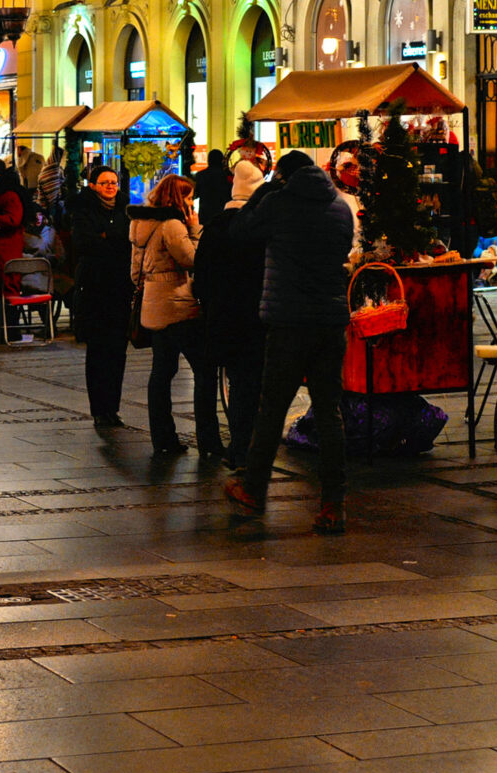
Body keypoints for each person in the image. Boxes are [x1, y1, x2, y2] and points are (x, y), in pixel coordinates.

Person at [223, 149, 356, 534]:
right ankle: (334, 503)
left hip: (289, 322)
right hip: (331, 322)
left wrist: (263, 194)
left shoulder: (279, 203)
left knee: (272, 409)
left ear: (282, 176)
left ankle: (253, 489)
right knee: (329, 412)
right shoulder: (340, 207)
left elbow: (240, 230)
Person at [192, 159, 269, 468]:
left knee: (235, 383)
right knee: (254, 384)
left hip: (222, 318)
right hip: (255, 318)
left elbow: (201, 274)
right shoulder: (259, 229)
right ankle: (249, 447)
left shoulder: (214, 228)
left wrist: (211, 305)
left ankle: (238, 447)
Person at [130, 173, 206, 457]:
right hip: (177, 302)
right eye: (188, 197)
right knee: (204, 368)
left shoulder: (140, 223)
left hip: (153, 303)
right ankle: (208, 437)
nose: (191, 202)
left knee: (161, 372)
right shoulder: (173, 225)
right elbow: (192, 259)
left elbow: (134, 272)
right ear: (177, 198)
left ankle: (163, 438)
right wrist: (195, 229)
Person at [69, 165, 132, 427]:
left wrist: (107, 237)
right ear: (93, 185)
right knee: (98, 350)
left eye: (114, 182)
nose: (110, 187)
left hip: (120, 288)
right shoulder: (82, 210)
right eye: (104, 182)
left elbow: (128, 240)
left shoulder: (125, 211)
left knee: (118, 350)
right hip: (94, 288)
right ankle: (99, 408)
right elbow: (85, 243)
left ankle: (112, 408)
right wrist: (111, 239)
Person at [193, 149, 231, 228]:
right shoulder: (227, 176)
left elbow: (195, 194)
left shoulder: (200, 175)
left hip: (205, 214)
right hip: (223, 214)